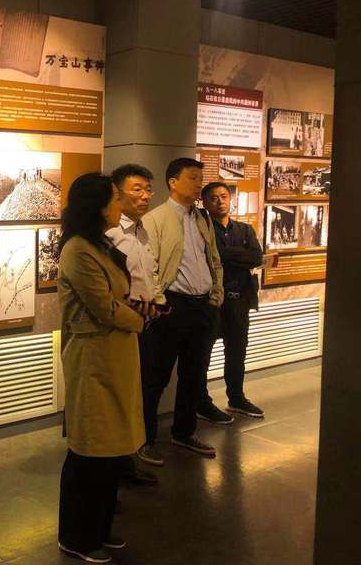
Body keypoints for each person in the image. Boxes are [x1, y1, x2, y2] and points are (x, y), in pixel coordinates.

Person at [57, 173, 146, 564]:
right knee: (90, 449)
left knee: (110, 452)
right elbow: (104, 307)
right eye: (114, 198)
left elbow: (116, 299)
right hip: (93, 356)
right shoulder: (77, 250)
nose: (119, 204)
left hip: (115, 353)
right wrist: (141, 318)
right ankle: (77, 537)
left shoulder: (99, 244)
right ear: (96, 206)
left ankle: (100, 527)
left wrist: (134, 311)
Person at [139, 158, 224, 466]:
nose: (199, 184)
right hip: (172, 306)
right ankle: (145, 439)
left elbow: (212, 257)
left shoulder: (202, 218)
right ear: (173, 182)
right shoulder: (155, 218)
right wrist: (160, 301)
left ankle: (184, 432)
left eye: (200, 178)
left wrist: (216, 293)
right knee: (155, 377)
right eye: (192, 178)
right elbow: (149, 264)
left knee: (194, 374)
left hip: (202, 306)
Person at [107, 164, 165, 487]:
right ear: (117, 193)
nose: (145, 196)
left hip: (147, 322)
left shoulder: (142, 230)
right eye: (137, 190)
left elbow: (148, 275)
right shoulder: (111, 235)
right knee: (121, 398)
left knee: (139, 393)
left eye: (148, 190)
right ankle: (116, 468)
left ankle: (129, 460)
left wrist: (156, 302)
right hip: (122, 325)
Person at [199, 182, 264, 420]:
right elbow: (211, 256)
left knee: (237, 352)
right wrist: (239, 254)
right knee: (203, 354)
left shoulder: (244, 229)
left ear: (230, 199)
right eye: (214, 198)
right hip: (212, 301)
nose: (220, 201)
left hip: (239, 301)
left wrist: (226, 255)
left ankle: (236, 398)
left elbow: (256, 257)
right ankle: (201, 402)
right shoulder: (203, 230)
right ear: (205, 203)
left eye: (224, 196)